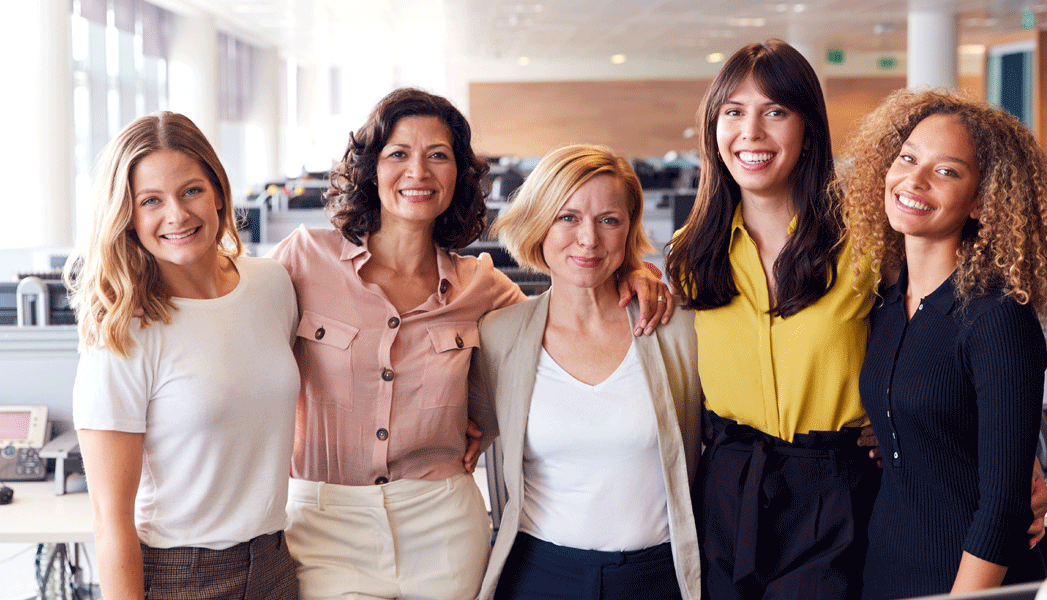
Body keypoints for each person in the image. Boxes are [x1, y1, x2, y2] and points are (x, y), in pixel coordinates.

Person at [664, 40, 1047, 600]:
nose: (751, 132)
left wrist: (1016, 464)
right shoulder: (689, 255)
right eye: (734, 112)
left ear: (808, 128)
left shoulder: (868, 238)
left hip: (835, 487)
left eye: (775, 111)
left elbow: (944, 336)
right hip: (727, 482)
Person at [270, 89, 673, 600]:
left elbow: (564, 302)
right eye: (398, 154)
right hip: (324, 522)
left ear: (458, 174)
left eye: (438, 155)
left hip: (441, 521)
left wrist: (633, 272)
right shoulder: (303, 260)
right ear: (372, 168)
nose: (418, 171)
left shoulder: (486, 292)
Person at [839, 89, 1047, 598]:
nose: (915, 180)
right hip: (885, 571)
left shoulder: (996, 317)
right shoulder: (885, 303)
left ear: (981, 202)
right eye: (907, 158)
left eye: (946, 171)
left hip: (968, 583)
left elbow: (1006, 505)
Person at [69, 112, 301, 600]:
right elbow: (110, 523)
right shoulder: (124, 331)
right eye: (151, 200)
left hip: (276, 562)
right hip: (181, 575)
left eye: (191, 190)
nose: (176, 215)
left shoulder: (272, 285)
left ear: (218, 191)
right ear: (127, 215)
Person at [471, 144, 703, 600]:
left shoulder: (677, 330)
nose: (589, 240)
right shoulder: (500, 337)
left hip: (657, 576)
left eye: (609, 220)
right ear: (540, 224)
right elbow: (461, 434)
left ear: (628, 230)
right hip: (540, 574)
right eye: (567, 217)